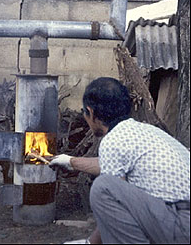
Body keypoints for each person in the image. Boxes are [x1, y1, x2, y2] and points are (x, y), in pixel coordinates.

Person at [50, 77, 190, 244]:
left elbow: (114, 203)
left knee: (102, 188)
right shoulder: (144, 132)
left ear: (91, 112)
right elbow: (109, 165)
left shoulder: (113, 140)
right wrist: (70, 161)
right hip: (176, 218)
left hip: (180, 223)